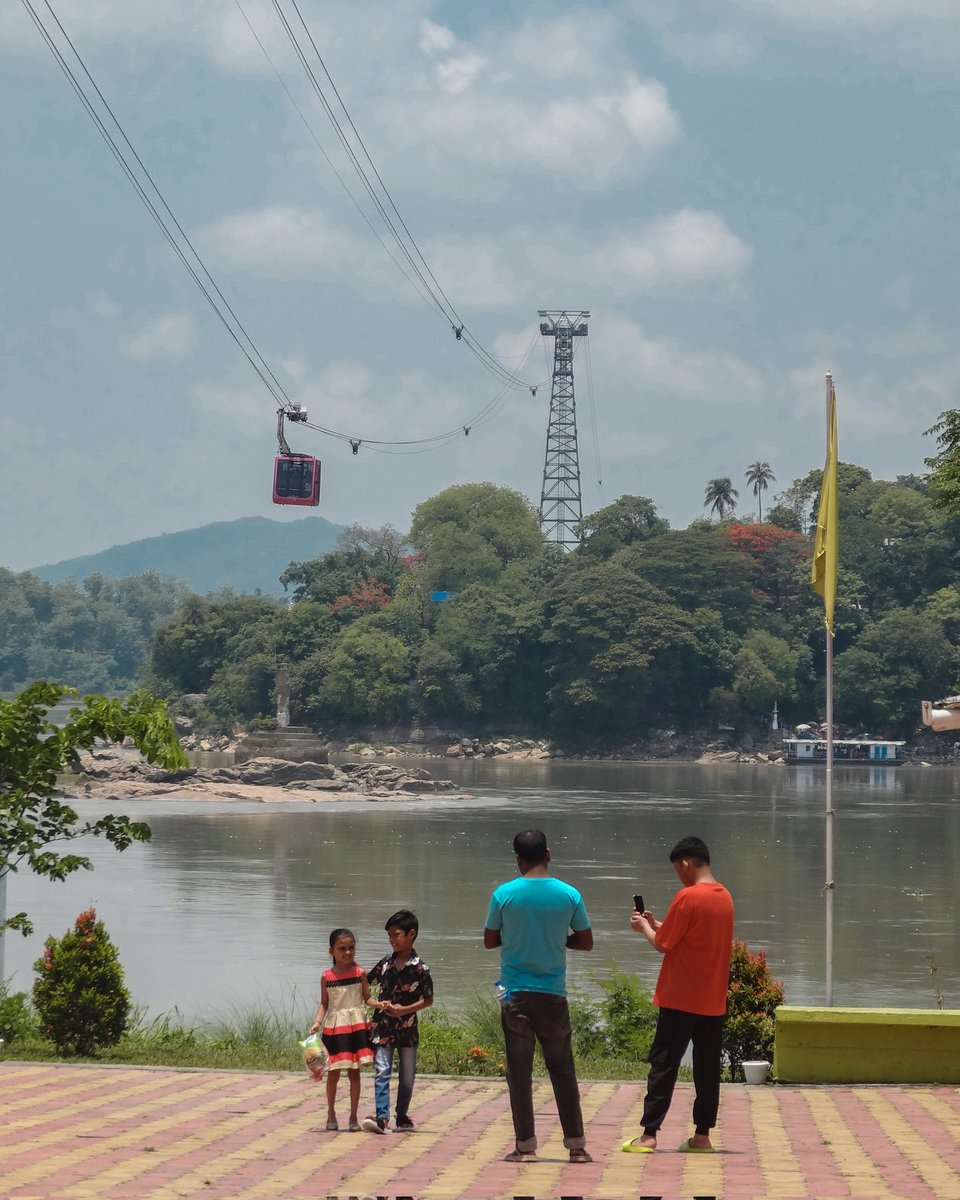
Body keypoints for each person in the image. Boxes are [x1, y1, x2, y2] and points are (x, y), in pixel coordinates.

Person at [484, 829, 593, 1165]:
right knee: (562, 1068)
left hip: (514, 994)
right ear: (548, 854)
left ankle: (525, 1146)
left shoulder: (504, 895)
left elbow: (490, 941)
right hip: (553, 995)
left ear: (518, 860)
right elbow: (586, 942)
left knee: (519, 1072)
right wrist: (558, 940)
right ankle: (576, 1146)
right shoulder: (569, 895)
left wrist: (517, 936)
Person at [623, 835, 735, 1154]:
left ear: (685, 863)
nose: (678, 875)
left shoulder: (688, 896)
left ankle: (649, 1135)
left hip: (679, 998)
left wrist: (643, 928)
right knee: (707, 1068)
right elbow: (687, 934)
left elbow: (664, 944)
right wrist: (657, 922)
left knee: (664, 1065)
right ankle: (702, 1135)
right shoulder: (724, 897)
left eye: (677, 869)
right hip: (712, 1000)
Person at [360, 909, 434, 1134]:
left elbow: (428, 1000)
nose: (392, 940)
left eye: (396, 934)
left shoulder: (421, 969)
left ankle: (401, 1115)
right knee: (382, 1070)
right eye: (390, 936)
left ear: (411, 934)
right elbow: (366, 981)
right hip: (382, 1027)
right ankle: (382, 1117)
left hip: (408, 1030)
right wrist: (372, 1002)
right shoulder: (385, 964)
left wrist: (404, 1010)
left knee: (407, 1076)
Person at [309, 928, 377, 1132]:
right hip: (335, 1027)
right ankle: (331, 1113)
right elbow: (324, 1004)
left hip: (356, 1026)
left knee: (355, 1074)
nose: (348, 952)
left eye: (351, 948)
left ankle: (353, 1116)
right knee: (334, 1074)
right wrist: (316, 1022)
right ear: (331, 951)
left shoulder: (360, 973)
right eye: (342, 949)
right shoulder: (327, 976)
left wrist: (380, 1004)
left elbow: (367, 998)